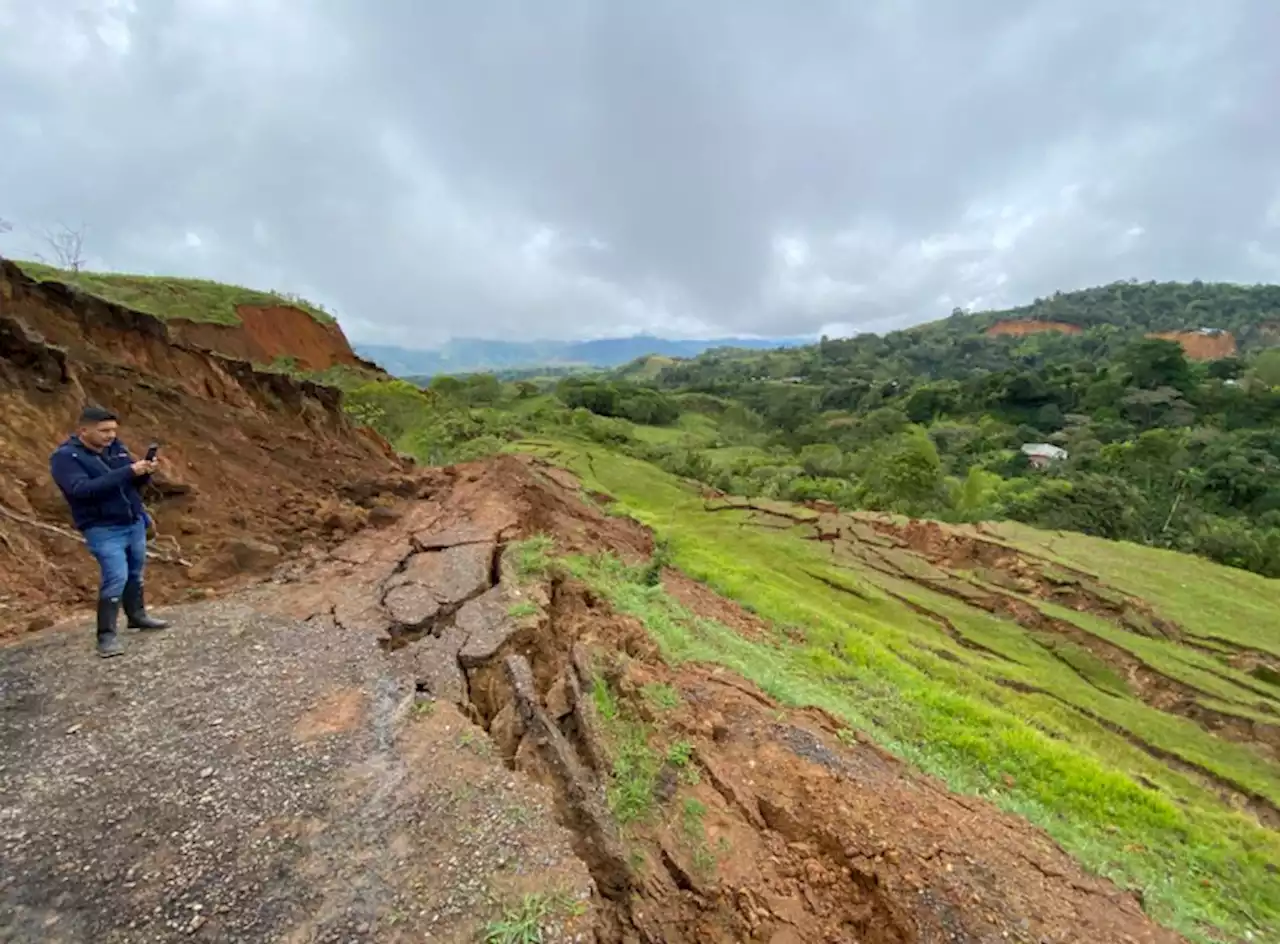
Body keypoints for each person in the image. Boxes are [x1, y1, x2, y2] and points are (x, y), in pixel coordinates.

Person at [49, 405, 170, 657]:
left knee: (135, 572)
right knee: (116, 576)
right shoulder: (65, 458)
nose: (110, 435)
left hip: (132, 520)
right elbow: (80, 490)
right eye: (104, 431)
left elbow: (131, 484)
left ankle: (137, 616)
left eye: (113, 430)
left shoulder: (116, 449)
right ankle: (106, 636)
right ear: (84, 430)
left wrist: (144, 473)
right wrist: (127, 471)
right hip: (102, 526)